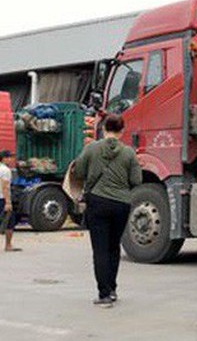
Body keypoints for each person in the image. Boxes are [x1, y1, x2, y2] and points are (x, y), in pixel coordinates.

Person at [74, 114, 142, 308]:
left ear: (103, 129)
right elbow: (137, 180)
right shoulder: (129, 153)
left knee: (100, 249)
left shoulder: (91, 148)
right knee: (113, 247)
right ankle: (112, 289)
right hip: (121, 204)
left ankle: (104, 293)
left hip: (97, 202)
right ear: (122, 131)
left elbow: (78, 172)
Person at [0, 150, 20, 252]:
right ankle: (8, 245)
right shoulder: (5, 170)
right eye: (10, 157)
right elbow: (5, 187)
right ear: (4, 158)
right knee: (10, 222)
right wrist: (8, 202)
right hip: (2, 199)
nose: (11, 159)